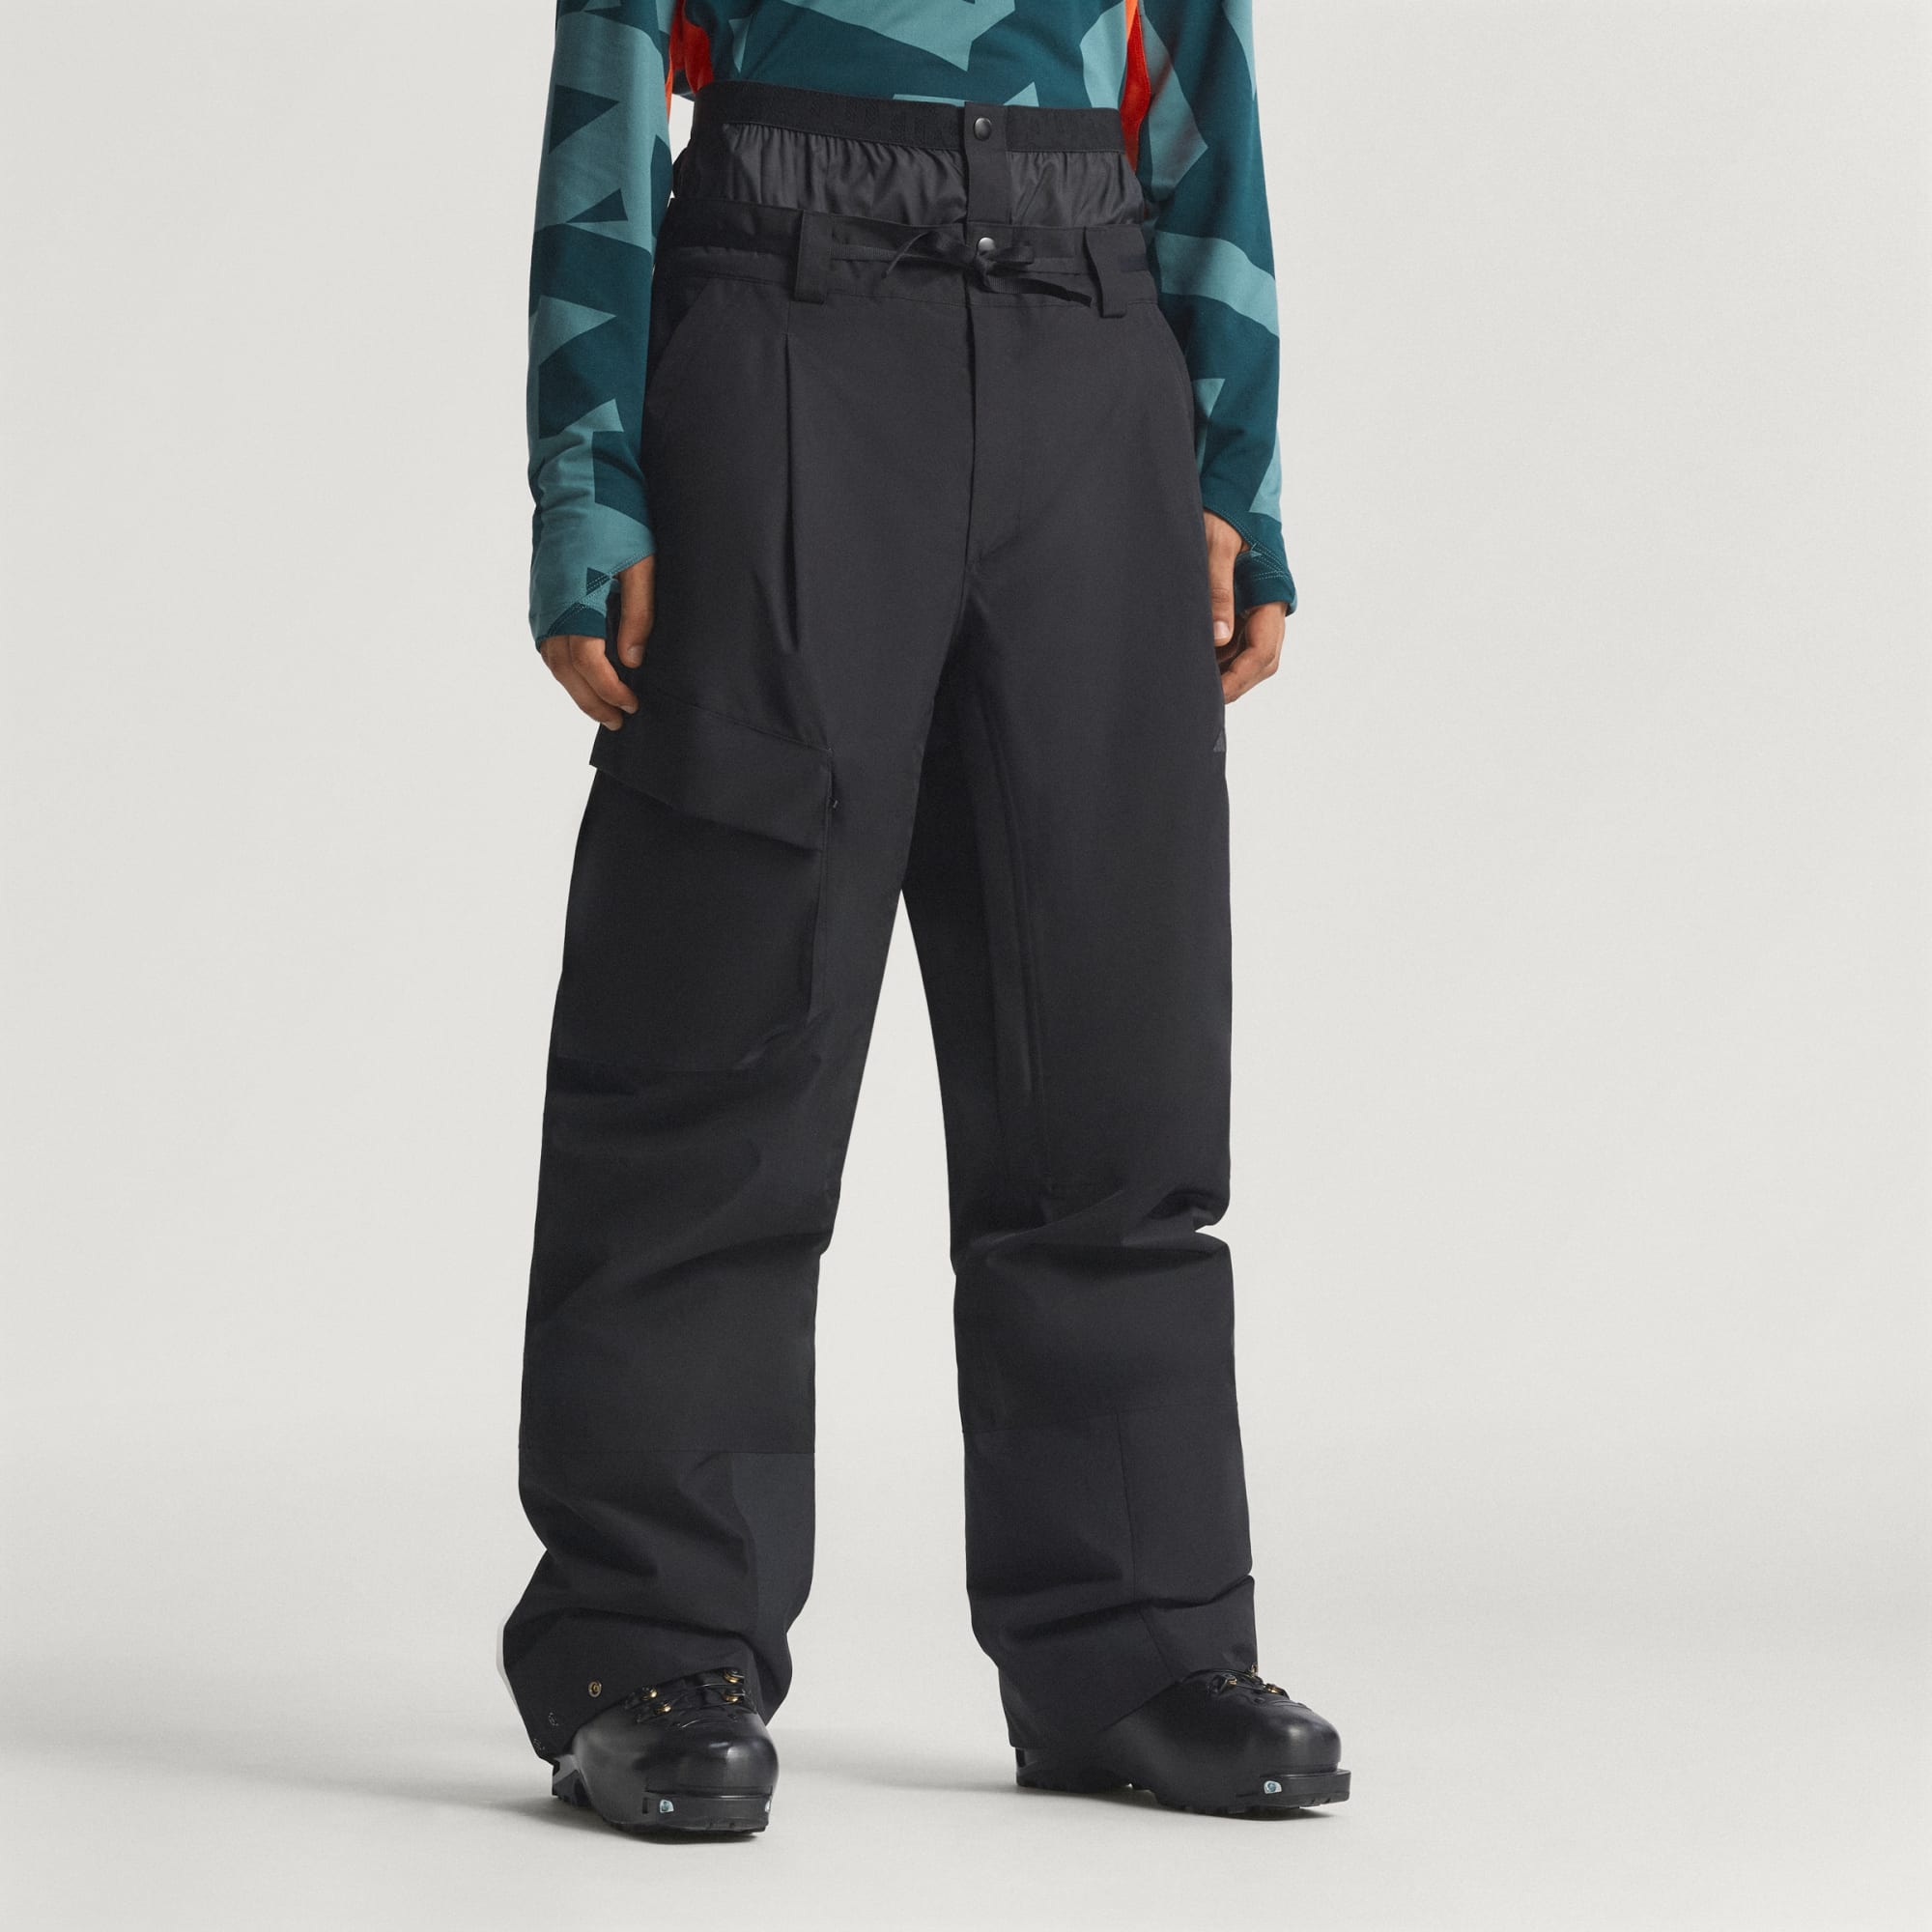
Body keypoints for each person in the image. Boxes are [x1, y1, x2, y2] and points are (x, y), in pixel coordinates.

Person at [505, 0, 1350, 1835]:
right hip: (783, 322)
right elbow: (610, 79)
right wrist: (592, 474)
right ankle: (646, 1643)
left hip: (1090, 326)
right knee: (718, 1026)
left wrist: (1232, 467)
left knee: (1111, 1046)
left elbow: (1202, 73)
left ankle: (1136, 1647)